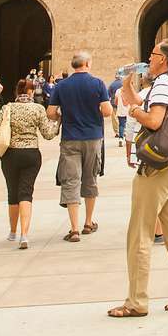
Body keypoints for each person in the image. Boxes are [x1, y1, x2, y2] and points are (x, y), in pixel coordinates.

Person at [109, 39, 168, 318]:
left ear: (162, 59)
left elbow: (152, 119)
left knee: (139, 235)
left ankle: (136, 301)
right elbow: (141, 100)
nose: (148, 60)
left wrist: (134, 113)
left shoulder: (163, 84)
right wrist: (128, 84)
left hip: (154, 169)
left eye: (152, 56)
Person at [49, 52, 115, 241]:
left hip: (70, 138)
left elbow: (51, 112)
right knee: (90, 177)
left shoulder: (62, 85)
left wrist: (64, 115)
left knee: (71, 181)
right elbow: (107, 111)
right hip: (93, 137)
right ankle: (88, 222)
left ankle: (74, 228)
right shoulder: (97, 83)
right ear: (87, 64)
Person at [0, 78, 53, 250]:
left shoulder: (7, 108)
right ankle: (24, 234)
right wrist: (58, 123)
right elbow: (48, 134)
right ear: (31, 92)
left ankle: (12, 232)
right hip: (31, 154)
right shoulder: (38, 109)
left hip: (10, 154)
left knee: (12, 192)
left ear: (17, 92)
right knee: (26, 192)